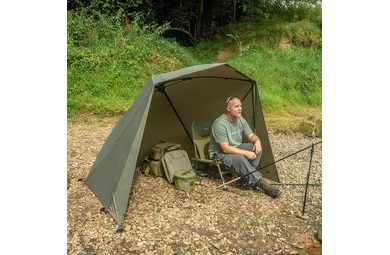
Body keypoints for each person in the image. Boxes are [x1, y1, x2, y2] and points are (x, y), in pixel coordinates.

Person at [208, 96, 281, 198]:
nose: (240, 109)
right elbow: (225, 148)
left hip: (235, 147)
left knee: (255, 148)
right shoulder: (219, 123)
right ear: (228, 109)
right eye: (236, 106)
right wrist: (246, 153)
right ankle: (263, 184)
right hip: (219, 153)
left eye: (240, 106)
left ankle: (248, 178)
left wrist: (258, 141)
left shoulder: (240, 119)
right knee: (240, 158)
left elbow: (251, 136)